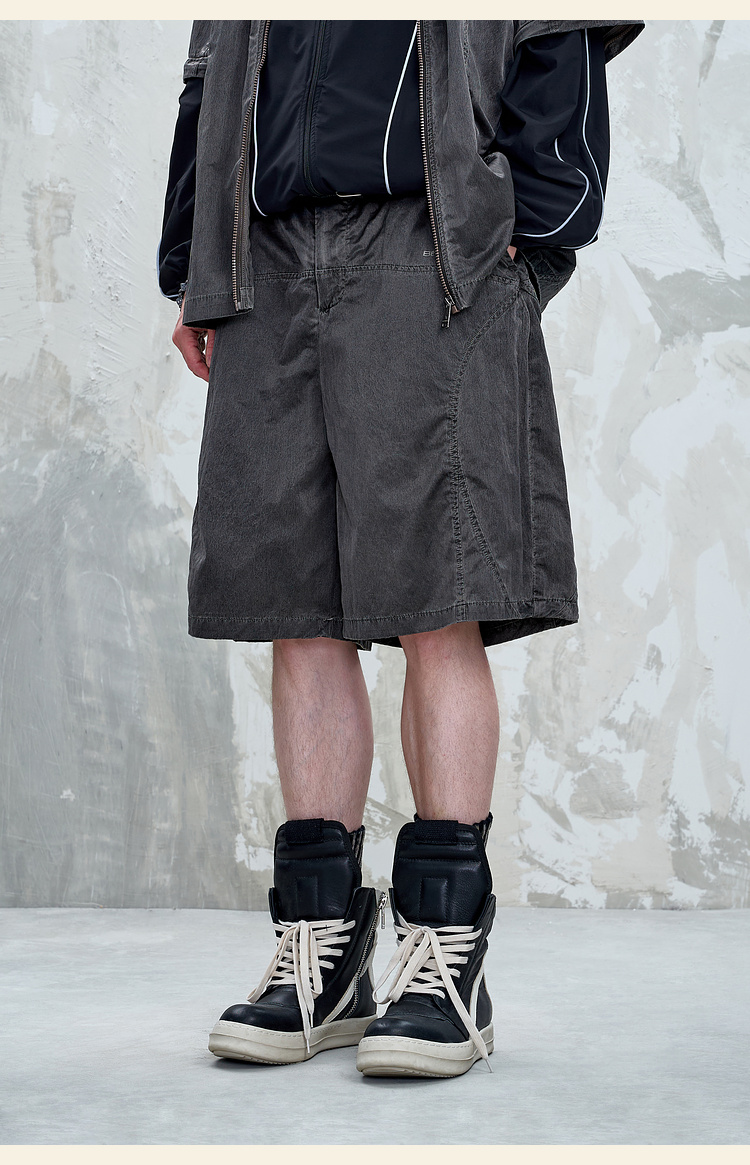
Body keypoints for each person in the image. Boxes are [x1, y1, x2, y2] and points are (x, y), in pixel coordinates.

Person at [157, 19, 645, 1079]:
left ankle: (444, 956)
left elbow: (555, 29)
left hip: (427, 240)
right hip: (262, 251)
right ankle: (324, 955)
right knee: (295, 606)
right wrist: (189, 257)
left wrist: (536, 222)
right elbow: (211, 70)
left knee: (438, 598)